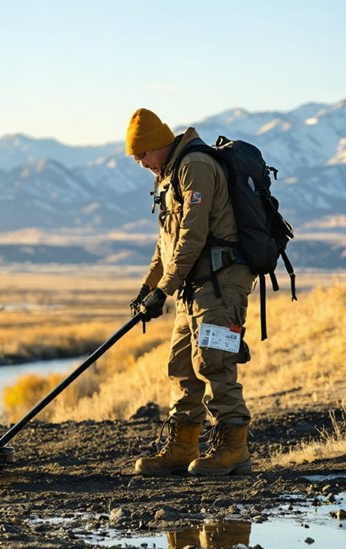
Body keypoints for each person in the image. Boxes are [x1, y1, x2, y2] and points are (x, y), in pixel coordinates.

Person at [125, 108, 255, 477]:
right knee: (182, 365)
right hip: (192, 284)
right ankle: (182, 447)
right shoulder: (169, 175)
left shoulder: (194, 166)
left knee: (213, 359)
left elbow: (193, 235)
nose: (140, 163)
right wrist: (149, 286)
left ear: (158, 145)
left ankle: (234, 448)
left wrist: (163, 289)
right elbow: (166, 242)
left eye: (142, 154)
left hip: (220, 281)